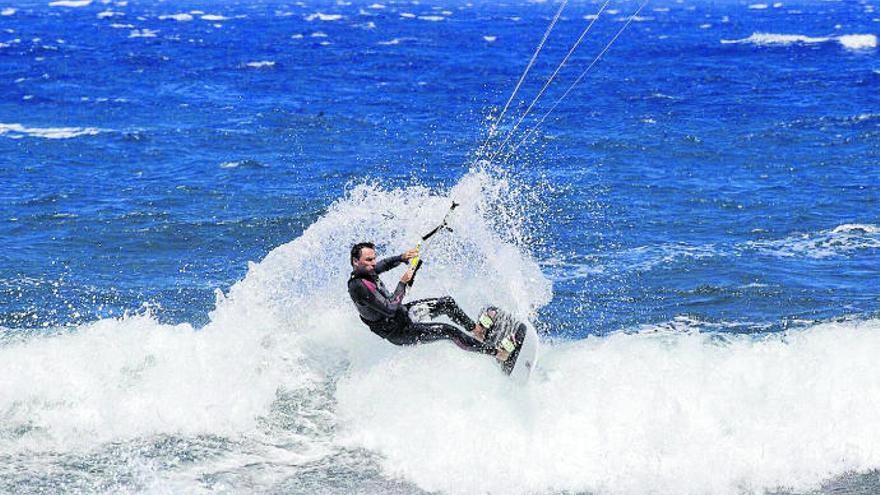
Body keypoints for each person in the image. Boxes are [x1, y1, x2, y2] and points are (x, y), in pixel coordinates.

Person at [347, 242, 509, 361]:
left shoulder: (367, 270)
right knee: (449, 331)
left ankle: (477, 331)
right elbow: (389, 308)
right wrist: (403, 282)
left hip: (403, 315)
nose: (373, 263)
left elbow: (384, 264)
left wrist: (402, 257)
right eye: (369, 260)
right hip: (399, 332)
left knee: (447, 303)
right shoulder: (358, 287)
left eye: (374, 258)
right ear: (356, 261)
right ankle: (498, 353)